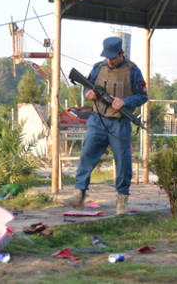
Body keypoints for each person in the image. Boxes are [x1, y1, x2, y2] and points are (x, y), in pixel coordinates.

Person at [61, 36, 148, 215]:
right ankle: (79, 195)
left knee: (123, 162)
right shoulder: (97, 68)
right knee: (86, 155)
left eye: (113, 57)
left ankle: (122, 199)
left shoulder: (133, 71)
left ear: (121, 53)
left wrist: (124, 102)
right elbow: (87, 86)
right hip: (97, 119)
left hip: (119, 122)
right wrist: (88, 93)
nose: (110, 60)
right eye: (107, 57)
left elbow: (143, 96)